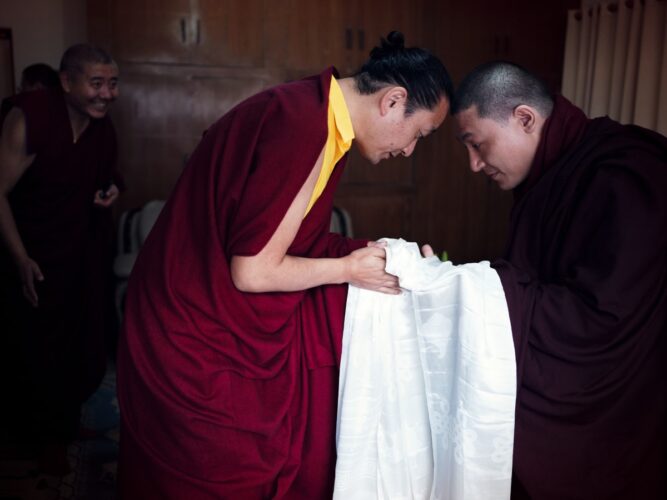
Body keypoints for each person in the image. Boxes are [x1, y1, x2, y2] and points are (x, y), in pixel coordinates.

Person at [116, 31, 453, 499]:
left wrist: (379, 252)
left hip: (189, 305)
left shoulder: (321, 117)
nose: (409, 150)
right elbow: (252, 270)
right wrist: (349, 269)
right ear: (393, 101)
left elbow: (295, 239)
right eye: (419, 134)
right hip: (190, 327)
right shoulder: (303, 125)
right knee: (221, 471)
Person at [449, 61, 667, 499]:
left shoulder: (626, 171)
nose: (474, 165)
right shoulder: (556, 173)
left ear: (525, 119)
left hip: (628, 404)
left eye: (478, 145)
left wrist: (475, 287)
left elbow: (604, 317)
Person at [0, 44, 122, 474]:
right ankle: (38, 441)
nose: (106, 94)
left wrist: (110, 195)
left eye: (112, 84)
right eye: (96, 83)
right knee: (35, 351)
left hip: (81, 254)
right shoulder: (29, 117)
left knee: (86, 346)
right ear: (66, 82)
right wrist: (19, 259)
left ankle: (64, 427)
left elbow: (108, 179)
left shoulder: (100, 128)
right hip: (32, 252)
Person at [0, 63, 60, 127]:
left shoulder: (12, 106)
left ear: (38, 88)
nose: (21, 91)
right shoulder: (62, 111)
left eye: (23, 86)